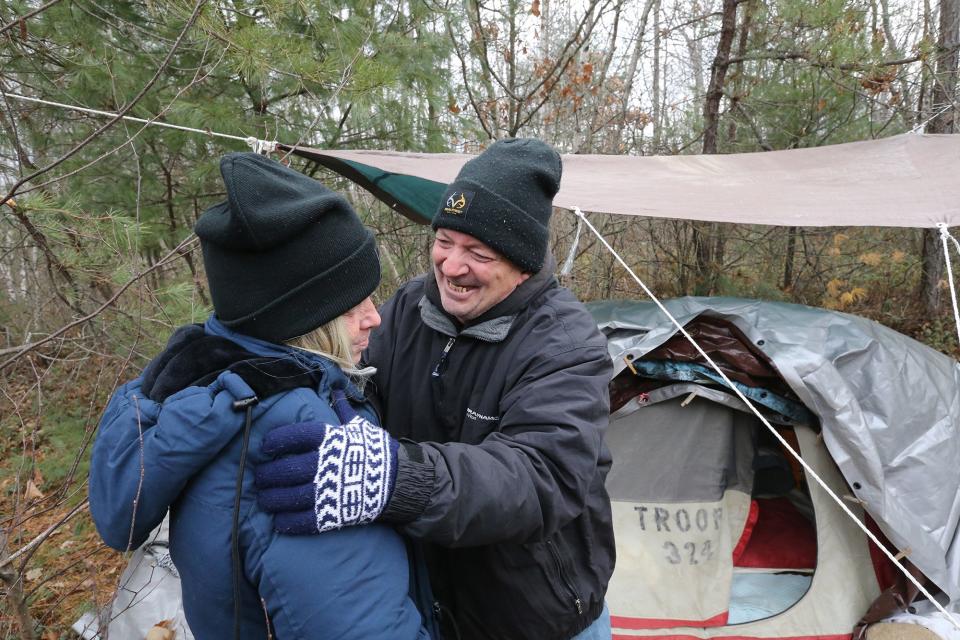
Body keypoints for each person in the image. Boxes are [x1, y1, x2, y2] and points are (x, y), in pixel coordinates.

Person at [255, 139, 616, 639]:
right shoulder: (406, 309)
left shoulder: (567, 343)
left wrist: (397, 481)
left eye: (478, 251)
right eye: (444, 241)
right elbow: (356, 395)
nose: (449, 266)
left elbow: (541, 478)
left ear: (524, 264)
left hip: (537, 619)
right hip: (430, 609)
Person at [88, 152, 430, 640]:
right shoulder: (298, 432)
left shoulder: (208, 393)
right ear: (302, 320)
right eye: (353, 306)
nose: (375, 318)